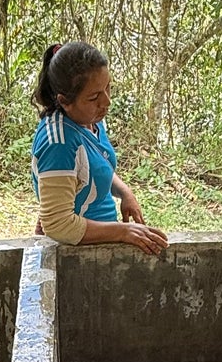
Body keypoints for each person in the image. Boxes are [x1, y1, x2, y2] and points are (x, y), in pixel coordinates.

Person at [31, 42, 167, 255]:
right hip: (74, 252)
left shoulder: (90, 119)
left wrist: (124, 192)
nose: (107, 101)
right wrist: (123, 232)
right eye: (94, 97)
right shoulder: (58, 143)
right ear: (65, 101)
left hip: (101, 240)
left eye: (108, 87)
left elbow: (94, 167)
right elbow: (59, 224)